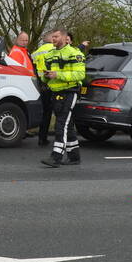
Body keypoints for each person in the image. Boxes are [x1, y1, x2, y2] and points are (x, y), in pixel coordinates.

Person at [39, 29, 86, 168]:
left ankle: (56, 157)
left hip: (70, 92)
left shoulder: (75, 53)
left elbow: (79, 75)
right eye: (52, 36)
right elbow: (45, 75)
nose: (53, 38)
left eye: (56, 36)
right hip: (55, 93)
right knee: (68, 126)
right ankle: (74, 157)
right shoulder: (49, 55)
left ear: (66, 39)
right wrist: (45, 76)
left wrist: (57, 75)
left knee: (61, 125)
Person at [31, 32, 57, 146]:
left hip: (41, 85)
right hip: (53, 83)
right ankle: (59, 139)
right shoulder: (55, 49)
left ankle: (42, 138)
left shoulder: (36, 52)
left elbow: (32, 67)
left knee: (45, 112)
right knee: (57, 112)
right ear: (51, 39)